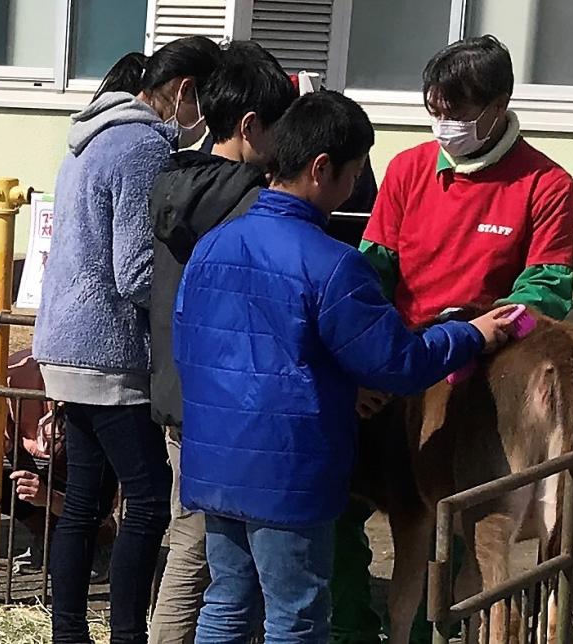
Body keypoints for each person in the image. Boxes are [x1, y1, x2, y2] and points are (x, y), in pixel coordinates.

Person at [173, 90, 517, 644]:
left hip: (215, 457)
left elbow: (191, 343)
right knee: (299, 615)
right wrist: (469, 334)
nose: (356, 187)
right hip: (289, 470)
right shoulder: (334, 264)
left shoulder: (213, 245)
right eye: (355, 173)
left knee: (228, 602)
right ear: (321, 168)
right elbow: (398, 363)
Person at [333, 35, 573, 644]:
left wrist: (477, 329)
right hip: (400, 362)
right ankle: (351, 626)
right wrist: (363, 354)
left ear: (499, 104)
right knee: (340, 505)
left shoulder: (546, 184)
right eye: (435, 112)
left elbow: (546, 290)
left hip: (477, 375)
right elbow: (374, 268)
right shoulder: (409, 169)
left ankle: (428, 626)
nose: (446, 125)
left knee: (461, 525)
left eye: (460, 113)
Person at [31, 36, 220, 644]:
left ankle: (67, 632)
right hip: (110, 352)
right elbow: (137, 271)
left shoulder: (89, 138)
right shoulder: (142, 146)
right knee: (146, 500)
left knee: (84, 497)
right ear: (185, 90)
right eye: (206, 101)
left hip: (65, 342)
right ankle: (127, 634)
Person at [148, 40, 296, 644]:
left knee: (197, 541)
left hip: (178, 390)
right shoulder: (249, 202)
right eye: (283, 127)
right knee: (201, 551)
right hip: (227, 396)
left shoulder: (174, 179)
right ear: (250, 125)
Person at [0, 350, 115, 579]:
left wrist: (48, 497)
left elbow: (107, 500)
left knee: (94, 496)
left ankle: (100, 541)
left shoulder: (97, 380)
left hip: (78, 466)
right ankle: (45, 533)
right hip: (32, 458)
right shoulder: (12, 373)